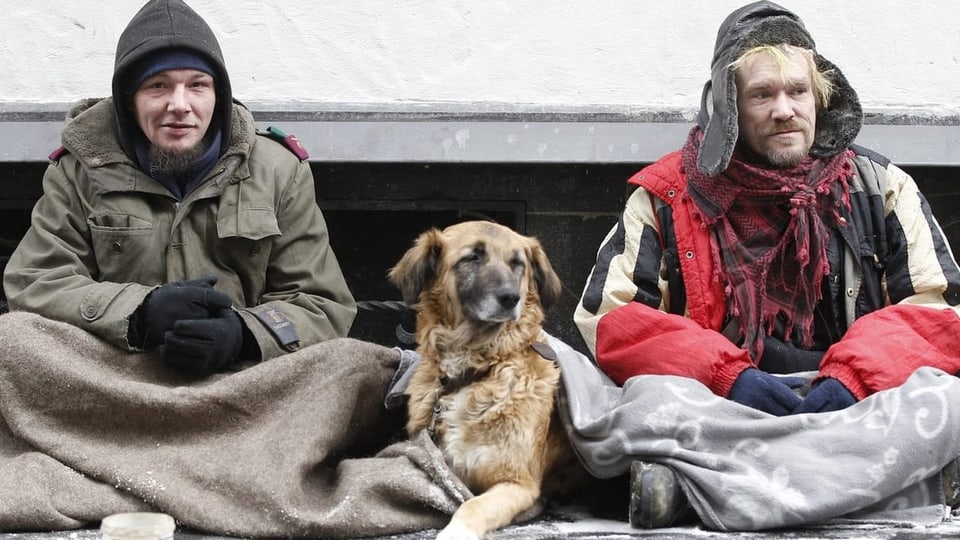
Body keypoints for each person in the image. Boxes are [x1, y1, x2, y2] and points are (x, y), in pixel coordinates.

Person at [574, 0, 960, 528]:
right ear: (729, 109)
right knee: (634, 395)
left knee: (946, 397)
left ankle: (695, 491)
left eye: (798, 91)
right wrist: (727, 377)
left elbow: (938, 314)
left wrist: (852, 379)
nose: (785, 109)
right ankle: (880, 488)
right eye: (762, 95)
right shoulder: (666, 195)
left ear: (819, 97)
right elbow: (611, 321)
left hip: (852, 405)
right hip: (726, 408)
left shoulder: (881, 186)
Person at [3, 0, 356, 371]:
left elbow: (323, 304)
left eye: (197, 85)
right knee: (9, 341)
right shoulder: (79, 172)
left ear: (217, 95)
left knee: (359, 364)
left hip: (247, 380)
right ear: (128, 101)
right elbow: (34, 285)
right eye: (158, 86)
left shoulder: (279, 170)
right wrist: (140, 312)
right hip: (115, 378)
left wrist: (244, 335)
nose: (180, 105)